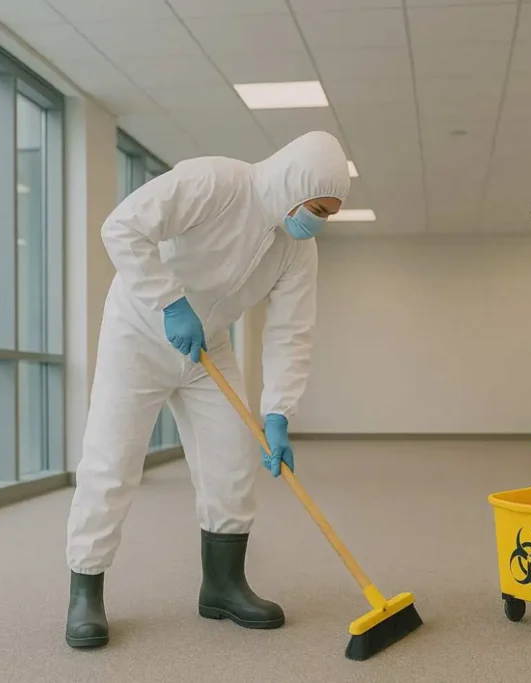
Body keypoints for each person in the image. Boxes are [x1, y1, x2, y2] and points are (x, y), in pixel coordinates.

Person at [64, 131, 350, 649]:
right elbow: (122, 227)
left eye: (328, 215)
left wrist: (279, 412)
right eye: (316, 208)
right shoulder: (216, 181)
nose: (317, 223)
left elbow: (291, 330)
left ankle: (222, 585)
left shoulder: (295, 249)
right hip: (139, 332)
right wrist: (171, 302)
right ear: (293, 184)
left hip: (206, 348)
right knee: (111, 463)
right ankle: (86, 591)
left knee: (232, 461)